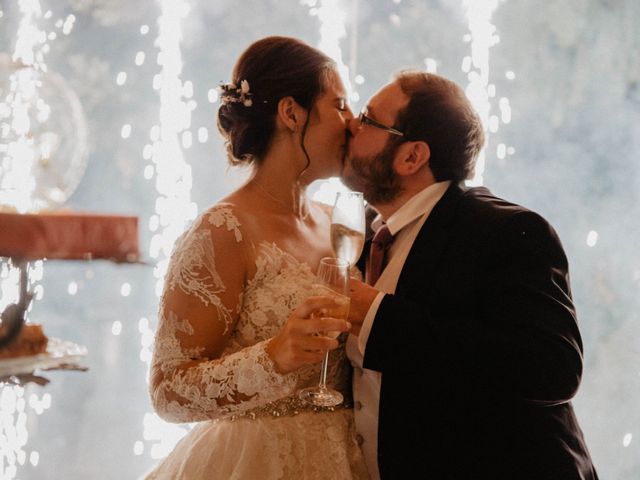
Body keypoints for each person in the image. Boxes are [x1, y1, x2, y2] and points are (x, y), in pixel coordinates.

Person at [342, 70, 599, 479]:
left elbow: (552, 369)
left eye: (367, 119)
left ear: (412, 157)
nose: (350, 124)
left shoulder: (504, 230)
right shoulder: (362, 232)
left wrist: (378, 318)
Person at [145, 36, 369, 479]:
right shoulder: (223, 232)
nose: (354, 123)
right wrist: (274, 357)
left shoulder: (341, 224)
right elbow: (167, 392)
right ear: (291, 113)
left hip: (344, 458)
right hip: (251, 462)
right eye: (340, 105)